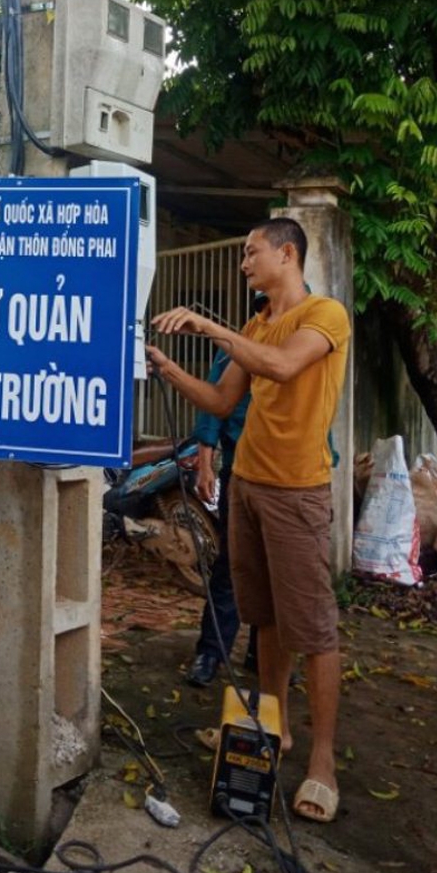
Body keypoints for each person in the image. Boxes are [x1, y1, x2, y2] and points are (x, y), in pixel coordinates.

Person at [146, 216, 349, 825]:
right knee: (261, 617)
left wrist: (209, 325)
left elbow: (284, 367)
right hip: (248, 486)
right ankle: (272, 730)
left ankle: (322, 763)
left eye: (251, 252)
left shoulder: (325, 316)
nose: (243, 262)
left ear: (287, 255)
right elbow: (221, 401)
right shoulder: (257, 324)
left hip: (297, 493)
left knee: (311, 625)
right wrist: (169, 369)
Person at [185, 349, 252, 687]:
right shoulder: (236, 356)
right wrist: (206, 463)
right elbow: (213, 410)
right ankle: (211, 652)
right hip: (242, 475)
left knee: (278, 572)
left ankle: (263, 651)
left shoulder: (307, 353)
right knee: (232, 566)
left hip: (295, 483)